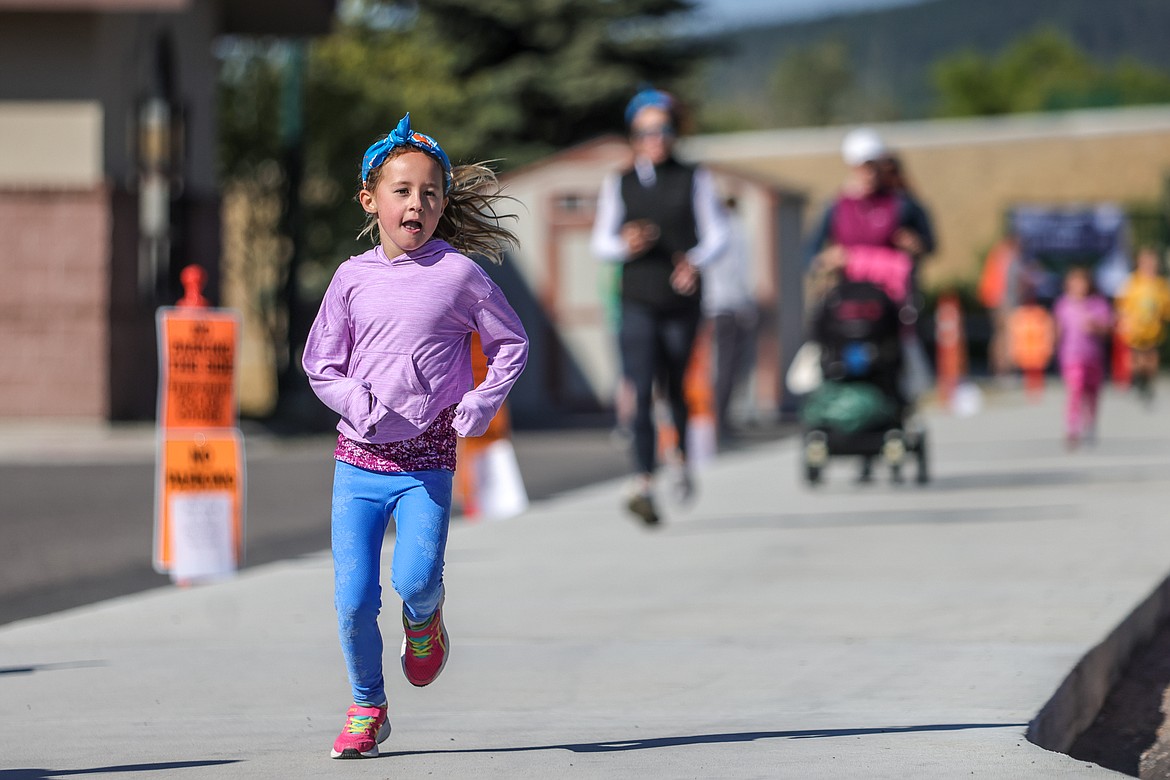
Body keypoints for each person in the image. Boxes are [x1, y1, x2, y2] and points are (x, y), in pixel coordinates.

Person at [302, 113, 528, 759]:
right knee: (352, 600)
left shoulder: (461, 276)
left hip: (427, 462)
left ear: (443, 203)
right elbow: (321, 363)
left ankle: (425, 622)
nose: (417, 204)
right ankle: (367, 706)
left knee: (418, 580)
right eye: (402, 191)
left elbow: (511, 343)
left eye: (430, 192)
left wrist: (482, 403)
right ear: (370, 201)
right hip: (358, 462)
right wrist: (357, 402)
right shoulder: (351, 278)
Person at [590, 87, 730, 526]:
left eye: (664, 129)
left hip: (681, 298)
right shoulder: (621, 182)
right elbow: (600, 240)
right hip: (636, 297)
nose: (657, 138)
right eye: (647, 131)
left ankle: (683, 457)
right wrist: (623, 244)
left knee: (674, 385)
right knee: (641, 384)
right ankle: (643, 481)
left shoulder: (695, 178)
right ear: (635, 136)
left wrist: (696, 260)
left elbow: (718, 233)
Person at [702, 195, 757, 444]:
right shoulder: (729, 229)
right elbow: (733, 272)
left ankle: (719, 419)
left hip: (717, 305)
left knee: (723, 366)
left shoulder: (715, 227)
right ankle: (718, 421)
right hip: (723, 306)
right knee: (724, 366)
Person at [1053, 266, 1113, 449]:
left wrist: (1096, 327)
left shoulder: (1098, 304)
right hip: (1071, 356)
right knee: (1076, 390)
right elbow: (1057, 330)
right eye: (1074, 282)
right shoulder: (1063, 304)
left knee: (1092, 393)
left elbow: (1108, 328)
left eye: (1082, 282)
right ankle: (1072, 428)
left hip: (1093, 357)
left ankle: (1091, 423)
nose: (1079, 286)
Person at [1114, 246, 1170, 403]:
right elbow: (1122, 305)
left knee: (1151, 358)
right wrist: (1123, 321)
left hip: (1153, 330)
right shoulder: (1132, 282)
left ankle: (1148, 381)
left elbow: (1166, 306)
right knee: (1136, 358)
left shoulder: (1160, 285)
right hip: (1135, 329)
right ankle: (1138, 379)